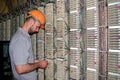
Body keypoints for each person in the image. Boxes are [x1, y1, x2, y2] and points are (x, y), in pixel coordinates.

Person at [9, 9, 48, 80]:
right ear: (31, 22)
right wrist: (39, 64)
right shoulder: (20, 39)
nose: (37, 30)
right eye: (37, 27)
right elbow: (20, 69)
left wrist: (36, 61)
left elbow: (24, 61)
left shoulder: (23, 37)